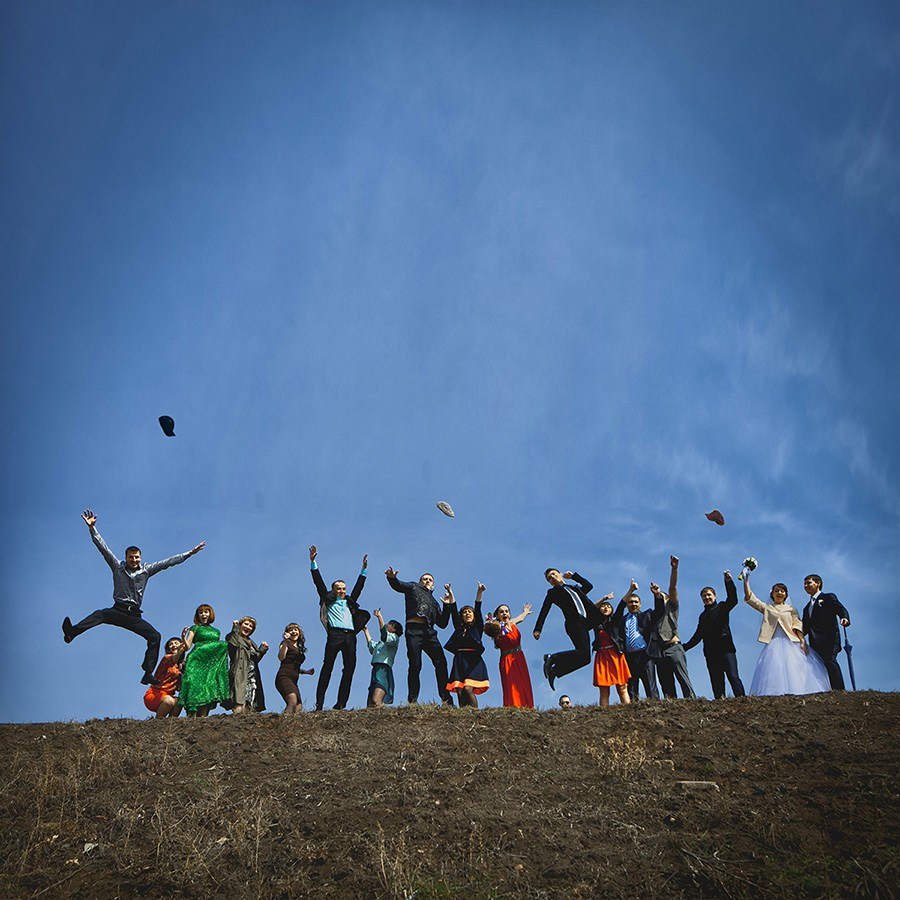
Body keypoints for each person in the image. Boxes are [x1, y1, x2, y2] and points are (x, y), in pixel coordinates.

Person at [62, 509, 205, 684]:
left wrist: (189, 553)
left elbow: (168, 562)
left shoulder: (146, 570)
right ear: (126, 557)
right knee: (100, 614)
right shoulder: (118, 567)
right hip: (118, 610)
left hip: (134, 615)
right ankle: (72, 632)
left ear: (140, 557)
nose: (134, 560)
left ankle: (148, 673)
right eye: (131, 557)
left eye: (137, 557)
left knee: (155, 636)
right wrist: (92, 528)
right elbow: (103, 549)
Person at [742, 570, 830, 696]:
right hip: (774, 642)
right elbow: (751, 598)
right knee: (774, 667)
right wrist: (746, 580)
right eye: (777, 591)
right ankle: (775, 692)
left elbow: (797, 624)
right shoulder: (767, 608)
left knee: (794, 666)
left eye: (782, 591)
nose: (779, 593)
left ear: (786, 595)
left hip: (791, 641)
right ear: (772, 594)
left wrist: (802, 641)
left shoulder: (791, 609)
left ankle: (798, 691)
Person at [309, 545, 368, 711]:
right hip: (334, 635)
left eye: (343, 588)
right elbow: (318, 583)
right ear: (333, 590)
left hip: (350, 637)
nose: (342, 590)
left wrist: (363, 570)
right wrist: (313, 563)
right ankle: (319, 703)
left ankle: (341, 703)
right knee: (327, 668)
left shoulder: (349, 602)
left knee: (349, 669)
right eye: (338, 588)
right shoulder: (328, 600)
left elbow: (358, 588)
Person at [385, 566, 453, 705]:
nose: (427, 581)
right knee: (415, 664)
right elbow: (399, 586)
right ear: (420, 581)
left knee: (441, 663)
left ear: (433, 584)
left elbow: (443, 623)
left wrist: (446, 606)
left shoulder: (435, 602)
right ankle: (413, 700)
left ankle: (446, 699)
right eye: (424, 579)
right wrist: (392, 578)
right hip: (414, 631)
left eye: (430, 580)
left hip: (429, 632)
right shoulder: (413, 587)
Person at [533, 568, 602, 690]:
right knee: (583, 653)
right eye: (549, 578)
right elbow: (544, 610)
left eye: (553, 574)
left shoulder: (574, 589)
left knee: (585, 658)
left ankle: (555, 671)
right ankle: (552, 658)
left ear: (560, 574)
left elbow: (589, 586)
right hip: (573, 623)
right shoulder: (553, 593)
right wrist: (538, 629)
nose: (552, 578)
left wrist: (574, 576)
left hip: (584, 623)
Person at [682, 571, 746, 699]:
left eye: (709, 595)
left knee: (733, 676)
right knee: (716, 680)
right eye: (704, 596)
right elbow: (698, 635)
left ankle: (742, 700)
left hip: (726, 649)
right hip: (711, 652)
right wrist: (685, 647)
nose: (707, 597)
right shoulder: (703, 616)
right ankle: (720, 702)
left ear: (715, 596)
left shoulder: (722, 607)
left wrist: (728, 582)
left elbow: (733, 599)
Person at [649, 556, 696, 700]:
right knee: (666, 685)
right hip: (659, 652)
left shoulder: (672, 607)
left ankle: (692, 702)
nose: (660, 598)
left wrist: (674, 569)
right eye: (658, 597)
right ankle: (672, 707)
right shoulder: (653, 615)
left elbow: (673, 587)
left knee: (683, 680)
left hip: (673, 648)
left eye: (662, 597)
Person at [801, 574, 851, 691]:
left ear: (818, 583)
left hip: (830, 638)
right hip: (815, 641)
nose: (806, 585)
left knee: (830, 660)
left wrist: (844, 617)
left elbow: (840, 608)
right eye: (805, 584)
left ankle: (839, 690)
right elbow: (805, 627)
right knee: (818, 665)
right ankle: (825, 689)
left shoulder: (828, 597)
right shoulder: (806, 608)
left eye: (809, 582)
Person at [444, 583, 490, 707]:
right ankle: (463, 714)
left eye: (470, 612)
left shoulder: (477, 627)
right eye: (465, 612)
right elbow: (454, 610)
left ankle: (475, 714)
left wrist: (479, 592)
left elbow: (478, 608)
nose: (467, 614)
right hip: (459, 660)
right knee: (459, 690)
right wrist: (450, 592)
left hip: (473, 660)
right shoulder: (459, 628)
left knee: (468, 689)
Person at [179, 604, 230, 716]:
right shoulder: (195, 628)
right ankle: (192, 716)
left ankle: (203, 717)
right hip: (196, 661)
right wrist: (183, 637)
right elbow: (187, 647)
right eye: (201, 612)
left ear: (210, 614)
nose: (203, 614)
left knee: (208, 686)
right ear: (198, 615)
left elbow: (217, 648)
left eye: (206, 612)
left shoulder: (216, 631)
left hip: (210, 665)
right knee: (194, 686)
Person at [485, 602, 534, 708]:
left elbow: (520, 618)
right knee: (511, 685)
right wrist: (490, 622)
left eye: (506, 611)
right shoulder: (497, 628)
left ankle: (527, 706)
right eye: (501, 612)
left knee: (523, 682)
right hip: (507, 659)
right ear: (497, 615)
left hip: (519, 657)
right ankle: (513, 706)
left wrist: (525, 612)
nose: (504, 613)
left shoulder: (512, 623)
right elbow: (489, 630)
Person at [619, 583, 659, 701]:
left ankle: (655, 707)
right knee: (631, 688)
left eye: (636, 602)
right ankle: (633, 709)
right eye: (631, 602)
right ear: (627, 605)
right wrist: (630, 591)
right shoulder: (622, 620)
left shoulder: (647, 615)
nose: (634, 604)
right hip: (629, 657)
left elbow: (660, 611)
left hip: (645, 655)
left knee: (650, 686)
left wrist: (657, 595)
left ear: (640, 604)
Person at [591, 594, 631, 707]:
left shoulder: (615, 621)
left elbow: (621, 605)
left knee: (622, 687)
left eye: (608, 606)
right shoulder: (595, 622)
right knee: (604, 689)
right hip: (602, 656)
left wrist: (631, 590)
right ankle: (604, 713)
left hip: (615, 655)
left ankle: (628, 710)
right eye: (603, 606)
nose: (606, 608)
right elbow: (591, 608)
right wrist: (604, 598)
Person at [226, 617, 269, 714]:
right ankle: (236, 720)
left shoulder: (252, 643)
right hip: (240, 674)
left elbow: (255, 659)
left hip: (252, 676)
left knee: (250, 701)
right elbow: (231, 643)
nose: (248, 627)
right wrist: (235, 629)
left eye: (251, 626)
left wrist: (262, 649)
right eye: (246, 624)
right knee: (239, 701)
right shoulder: (234, 637)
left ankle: (245, 722)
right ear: (240, 625)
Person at [362, 608, 403, 707]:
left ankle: (382, 710)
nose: (387, 625)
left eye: (390, 624)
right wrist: (365, 631)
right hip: (376, 669)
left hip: (383, 669)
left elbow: (384, 635)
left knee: (375, 700)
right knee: (370, 703)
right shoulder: (381, 643)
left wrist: (379, 617)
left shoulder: (394, 638)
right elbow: (372, 647)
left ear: (394, 629)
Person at [275, 623, 315, 715]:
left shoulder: (300, 648)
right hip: (284, 677)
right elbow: (281, 657)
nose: (293, 632)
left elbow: (295, 666)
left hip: (294, 679)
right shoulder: (285, 644)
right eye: (291, 630)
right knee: (292, 701)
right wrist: (285, 642)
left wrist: (306, 672)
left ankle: (294, 724)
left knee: (298, 706)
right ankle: (283, 721)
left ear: (299, 633)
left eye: (296, 630)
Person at [143, 637, 185, 718]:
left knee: (179, 702)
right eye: (170, 644)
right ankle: (157, 722)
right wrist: (180, 651)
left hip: (169, 695)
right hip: (155, 694)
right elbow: (174, 658)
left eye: (176, 643)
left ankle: (170, 723)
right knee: (169, 701)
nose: (173, 645)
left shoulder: (183, 666)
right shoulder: (167, 658)